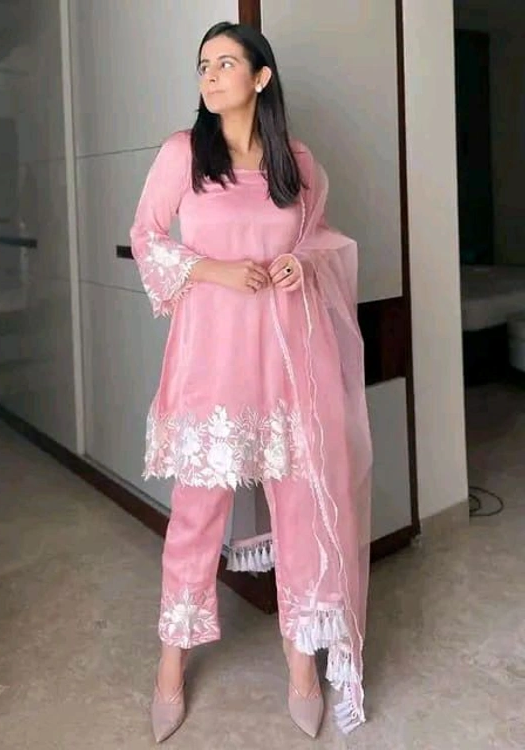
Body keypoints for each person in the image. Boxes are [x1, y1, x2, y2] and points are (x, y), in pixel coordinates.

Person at [130, 21, 372, 743]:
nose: (208, 75)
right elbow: (147, 237)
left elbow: (319, 237)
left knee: (301, 509)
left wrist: (302, 262)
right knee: (195, 515)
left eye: (225, 63)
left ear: (260, 77)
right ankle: (169, 669)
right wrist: (213, 270)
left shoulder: (298, 161)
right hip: (212, 359)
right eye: (202, 64)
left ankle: (303, 668)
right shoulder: (183, 153)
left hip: (291, 359)